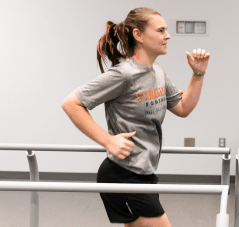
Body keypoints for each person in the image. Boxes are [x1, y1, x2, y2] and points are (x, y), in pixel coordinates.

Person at [61, 7, 209, 227]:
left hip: (144, 173)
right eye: (160, 30)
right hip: (123, 174)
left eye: (166, 30)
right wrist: (107, 140)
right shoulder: (123, 74)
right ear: (138, 35)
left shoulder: (157, 71)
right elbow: (71, 103)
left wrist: (198, 73)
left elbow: (183, 108)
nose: (167, 36)